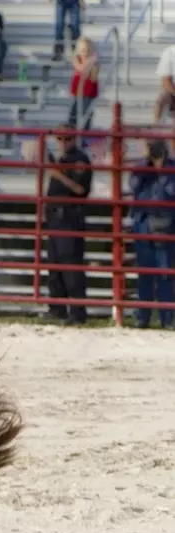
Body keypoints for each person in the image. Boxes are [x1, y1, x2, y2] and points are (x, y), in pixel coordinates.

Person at [44, 128, 91, 325]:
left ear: (74, 139)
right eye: (60, 139)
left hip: (69, 218)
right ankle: (57, 308)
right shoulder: (61, 160)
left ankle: (77, 311)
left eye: (67, 138)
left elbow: (80, 190)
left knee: (71, 265)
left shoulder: (79, 160)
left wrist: (58, 174)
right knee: (54, 265)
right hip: (55, 217)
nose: (63, 142)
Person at [128, 139, 175, 329]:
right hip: (143, 221)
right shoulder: (140, 168)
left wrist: (162, 168)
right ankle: (143, 316)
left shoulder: (172, 169)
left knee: (164, 271)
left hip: (167, 223)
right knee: (145, 271)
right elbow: (134, 185)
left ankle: (167, 318)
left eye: (157, 146)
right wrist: (149, 165)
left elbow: (172, 191)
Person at [68, 36, 97, 129]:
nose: (86, 53)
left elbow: (93, 78)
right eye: (83, 50)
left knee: (86, 111)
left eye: (89, 51)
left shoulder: (95, 64)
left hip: (89, 91)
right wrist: (90, 62)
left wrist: (91, 64)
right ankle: (71, 129)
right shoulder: (77, 59)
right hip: (77, 90)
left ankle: (85, 131)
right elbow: (81, 68)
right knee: (74, 111)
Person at [154, 44, 175, 124]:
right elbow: (165, 82)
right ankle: (156, 128)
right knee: (161, 99)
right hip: (173, 93)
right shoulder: (170, 52)